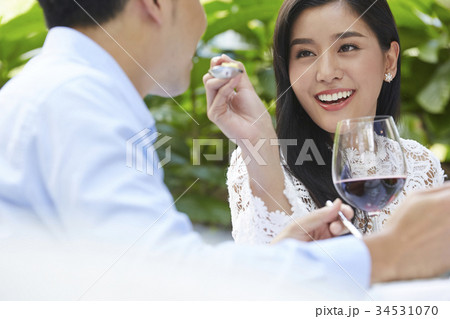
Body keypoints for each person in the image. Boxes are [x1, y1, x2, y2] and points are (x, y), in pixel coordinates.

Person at [0, 0, 449, 298]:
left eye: (347, 47)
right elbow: (166, 284)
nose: (203, 18)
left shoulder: (64, 91)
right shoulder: (77, 102)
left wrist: (284, 251)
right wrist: (391, 252)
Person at [203, 0, 445, 245]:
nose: (326, 73)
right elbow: (269, 270)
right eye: (305, 53)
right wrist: (259, 141)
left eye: (347, 47)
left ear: (390, 59)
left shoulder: (419, 165)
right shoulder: (261, 161)